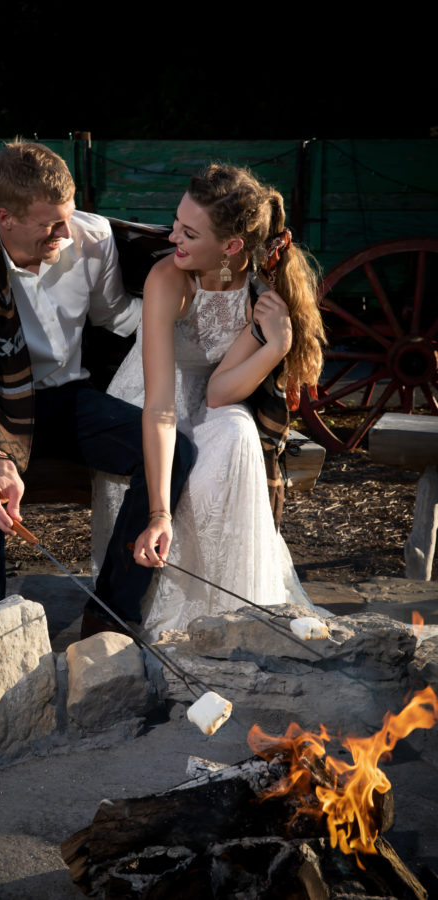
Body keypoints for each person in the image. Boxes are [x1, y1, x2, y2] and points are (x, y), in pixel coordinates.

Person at [0, 140, 194, 635]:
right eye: (50, 224)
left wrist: (192, 324)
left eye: (67, 217)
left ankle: (108, 614)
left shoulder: (92, 237)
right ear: (6, 217)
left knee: (176, 452)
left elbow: (117, 317)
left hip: (68, 402)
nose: (66, 233)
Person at [92, 163, 325, 639]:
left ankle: (239, 608)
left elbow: (220, 391)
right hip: (150, 402)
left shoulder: (257, 288)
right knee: (180, 458)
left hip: (212, 403)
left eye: (188, 232)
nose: (173, 236)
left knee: (238, 433)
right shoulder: (169, 278)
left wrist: (275, 345)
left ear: (231, 247)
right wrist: (158, 513)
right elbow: (159, 409)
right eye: (177, 222)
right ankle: (173, 610)